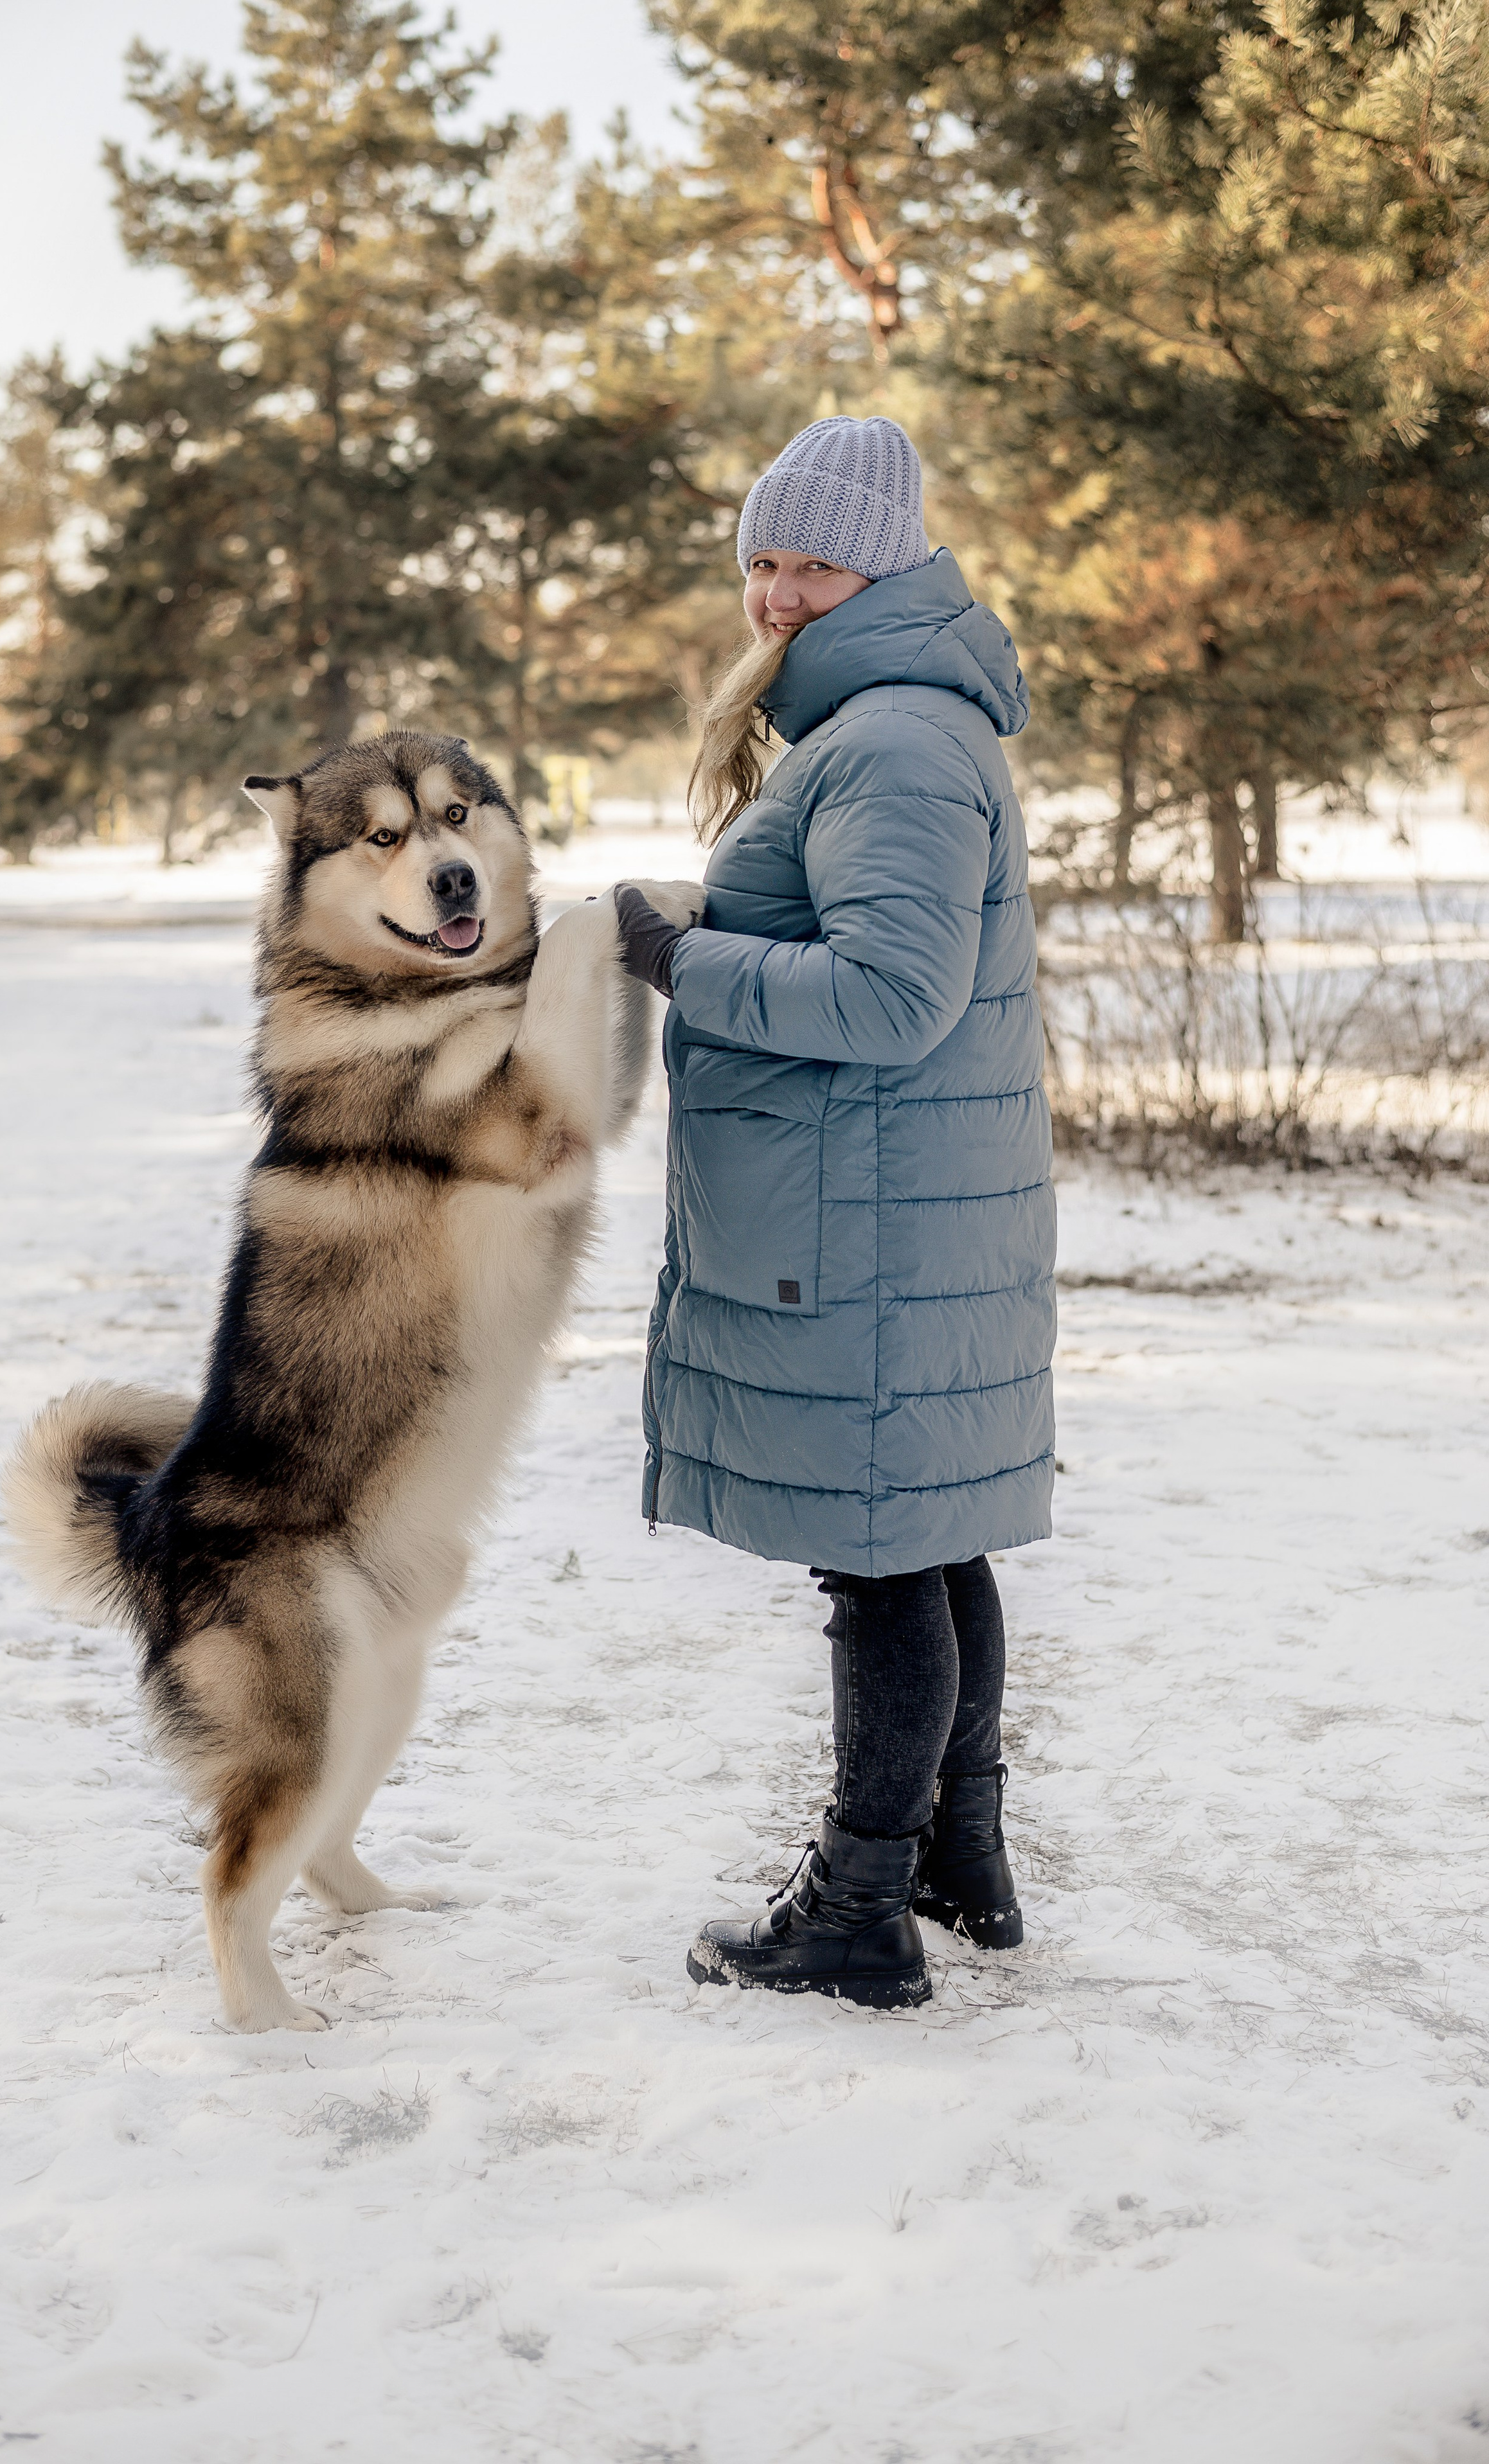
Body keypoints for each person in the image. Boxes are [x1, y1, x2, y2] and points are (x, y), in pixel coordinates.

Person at [613, 415, 1055, 2010]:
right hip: (897, 1209)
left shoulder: (889, 740)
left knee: (879, 1563)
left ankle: (858, 1907)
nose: (780, 591)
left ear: (889, 566)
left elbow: (888, 995)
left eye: (815, 560)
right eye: (763, 560)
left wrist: (668, 956)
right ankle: (958, 1859)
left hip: (872, 1223)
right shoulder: (885, 724)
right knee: (926, 1543)